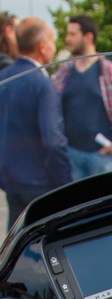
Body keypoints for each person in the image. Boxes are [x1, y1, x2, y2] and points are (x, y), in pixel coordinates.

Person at [0, 17, 72, 228]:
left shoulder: (4, 78)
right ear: (43, 45)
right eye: (53, 41)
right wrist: (66, 183)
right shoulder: (42, 84)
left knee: (17, 239)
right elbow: (53, 140)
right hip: (42, 185)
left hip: (10, 182)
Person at [53, 14, 112, 180]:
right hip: (72, 154)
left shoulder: (110, 71)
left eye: (72, 34)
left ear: (88, 37)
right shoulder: (64, 72)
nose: (67, 38)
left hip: (102, 155)